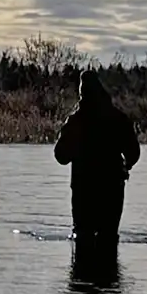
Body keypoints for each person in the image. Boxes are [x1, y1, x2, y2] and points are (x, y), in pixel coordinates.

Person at [53, 70, 140, 243]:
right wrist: (126, 166)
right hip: (112, 189)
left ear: (82, 93)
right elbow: (133, 152)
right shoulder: (118, 118)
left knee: (82, 238)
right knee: (108, 238)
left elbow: (61, 156)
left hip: (83, 190)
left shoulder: (76, 121)